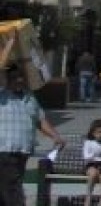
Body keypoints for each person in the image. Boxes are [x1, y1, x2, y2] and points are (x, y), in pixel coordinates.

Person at [0, 63, 65, 206]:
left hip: (23, 151)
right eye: (14, 77)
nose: (19, 80)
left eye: (21, 77)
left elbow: (40, 120)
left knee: (6, 187)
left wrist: (55, 136)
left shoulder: (30, 98)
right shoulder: (2, 97)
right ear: (7, 79)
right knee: (12, 187)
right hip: (4, 150)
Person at [81, 119, 101, 206]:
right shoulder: (89, 142)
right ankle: (88, 196)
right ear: (93, 133)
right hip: (92, 164)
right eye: (98, 132)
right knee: (93, 174)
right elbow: (86, 157)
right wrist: (97, 154)